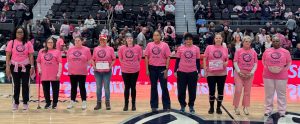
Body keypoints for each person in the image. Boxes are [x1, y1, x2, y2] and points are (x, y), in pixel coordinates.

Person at [5, 27, 35, 110]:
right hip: (14, 67)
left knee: (25, 85)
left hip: (26, 66)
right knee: (16, 85)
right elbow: (8, 55)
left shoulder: (28, 43)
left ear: (24, 33)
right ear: (15, 33)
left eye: (21, 32)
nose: (19, 34)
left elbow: (31, 55)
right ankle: (16, 102)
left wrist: (32, 66)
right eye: (18, 32)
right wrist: (7, 67)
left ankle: (25, 102)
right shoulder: (12, 42)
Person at [262, 36, 292, 117]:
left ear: (280, 42)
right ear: (272, 42)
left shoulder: (285, 52)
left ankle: (282, 111)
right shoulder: (267, 51)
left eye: (277, 41)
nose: (276, 42)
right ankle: (268, 110)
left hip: (282, 76)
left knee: (281, 94)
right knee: (269, 94)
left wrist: (284, 70)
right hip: (268, 75)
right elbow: (263, 60)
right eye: (274, 41)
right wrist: (267, 68)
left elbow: (289, 62)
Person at [174, 33, 201, 113]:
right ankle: (182, 105)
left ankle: (191, 105)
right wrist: (175, 70)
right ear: (184, 40)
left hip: (192, 73)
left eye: (190, 39)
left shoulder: (196, 48)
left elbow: (198, 61)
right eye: (187, 39)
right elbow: (177, 60)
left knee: (192, 91)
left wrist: (199, 72)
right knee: (181, 90)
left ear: (192, 40)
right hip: (181, 72)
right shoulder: (180, 48)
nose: (188, 41)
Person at [145, 31, 171, 112]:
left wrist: (166, 69)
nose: (156, 37)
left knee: (164, 87)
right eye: (154, 35)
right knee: (153, 87)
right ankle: (154, 105)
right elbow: (146, 57)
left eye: (157, 35)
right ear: (153, 37)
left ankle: (166, 105)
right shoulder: (149, 45)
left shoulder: (165, 45)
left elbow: (168, 57)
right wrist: (147, 69)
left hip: (162, 68)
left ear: (160, 36)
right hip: (152, 68)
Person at [203, 33, 229, 114]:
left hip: (222, 73)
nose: (218, 39)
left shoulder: (225, 48)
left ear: (222, 39)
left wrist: (226, 63)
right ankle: (211, 107)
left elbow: (227, 60)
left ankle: (218, 108)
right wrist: (204, 68)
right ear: (214, 39)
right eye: (216, 38)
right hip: (211, 73)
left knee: (220, 91)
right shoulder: (209, 47)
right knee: (212, 91)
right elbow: (204, 58)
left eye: (219, 38)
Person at [233, 36, 258, 115]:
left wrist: (252, 72)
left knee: (247, 92)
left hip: (249, 74)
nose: (247, 43)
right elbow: (235, 62)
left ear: (251, 43)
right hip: (239, 73)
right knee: (238, 90)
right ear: (243, 42)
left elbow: (255, 63)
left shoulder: (253, 52)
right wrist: (239, 71)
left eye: (249, 41)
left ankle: (245, 107)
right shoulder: (238, 51)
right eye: (246, 41)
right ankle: (236, 106)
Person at [118, 33, 143, 111]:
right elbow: (120, 58)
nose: (129, 39)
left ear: (133, 39)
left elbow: (139, 58)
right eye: (128, 38)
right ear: (126, 39)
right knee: (127, 87)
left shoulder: (138, 48)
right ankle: (126, 105)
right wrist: (125, 64)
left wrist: (134, 65)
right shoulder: (122, 48)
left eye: (131, 38)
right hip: (125, 70)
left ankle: (133, 104)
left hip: (134, 70)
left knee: (133, 87)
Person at [66, 36, 92, 110]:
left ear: (82, 41)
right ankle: (72, 101)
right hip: (72, 72)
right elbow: (68, 59)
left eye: (78, 40)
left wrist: (83, 66)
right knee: (73, 87)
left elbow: (89, 61)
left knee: (82, 87)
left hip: (82, 72)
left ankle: (84, 101)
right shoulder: (70, 49)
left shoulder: (86, 49)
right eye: (76, 40)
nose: (77, 42)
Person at [36, 37, 62, 109]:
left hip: (54, 73)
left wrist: (59, 73)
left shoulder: (57, 51)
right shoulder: (41, 51)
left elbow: (60, 63)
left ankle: (55, 103)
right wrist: (39, 70)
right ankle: (48, 102)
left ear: (54, 43)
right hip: (44, 73)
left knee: (55, 89)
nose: (50, 44)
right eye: (48, 42)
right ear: (46, 43)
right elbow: (38, 62)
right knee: (45, 89)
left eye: (51, 42)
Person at [92, 34, 116, 110]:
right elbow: (93, 59)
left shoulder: (110, 49)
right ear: (99, 40)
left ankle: (107, 102)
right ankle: (98, 103)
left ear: (106, 40)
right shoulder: (95, 49)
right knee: (98, 87)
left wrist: (110, 66)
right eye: (101, 39)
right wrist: (94, 66)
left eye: (104, 39)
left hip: (107, 71)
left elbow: (114, 59)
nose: (103, 41)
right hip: (98, 71)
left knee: (106, 87)